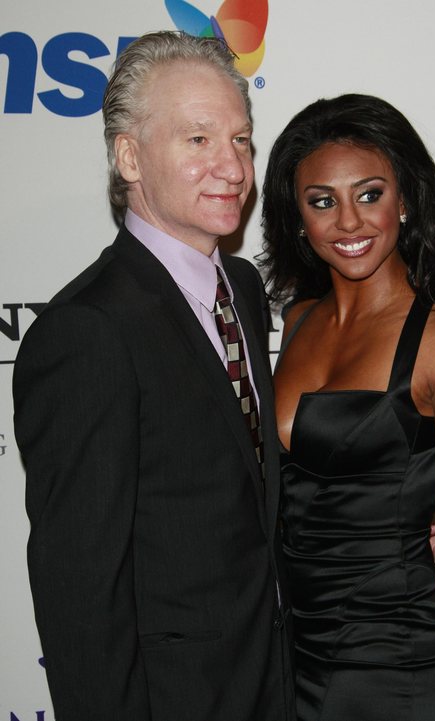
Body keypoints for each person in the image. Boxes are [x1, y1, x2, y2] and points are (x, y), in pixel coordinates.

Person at [13, 31, 295, 721]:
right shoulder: (88, 333)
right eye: (198, 139)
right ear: (130, 157)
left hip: (271, 684)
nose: (232, 166)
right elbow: (81, 593)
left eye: (241, 139)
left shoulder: (242, 288)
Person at [259, 93, 435, 721]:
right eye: (322, 202)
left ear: (406, 200)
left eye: (369, 194)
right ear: (297, 217)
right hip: (294, 654)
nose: (349, 222)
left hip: (396, 658)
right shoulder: (297, 321)